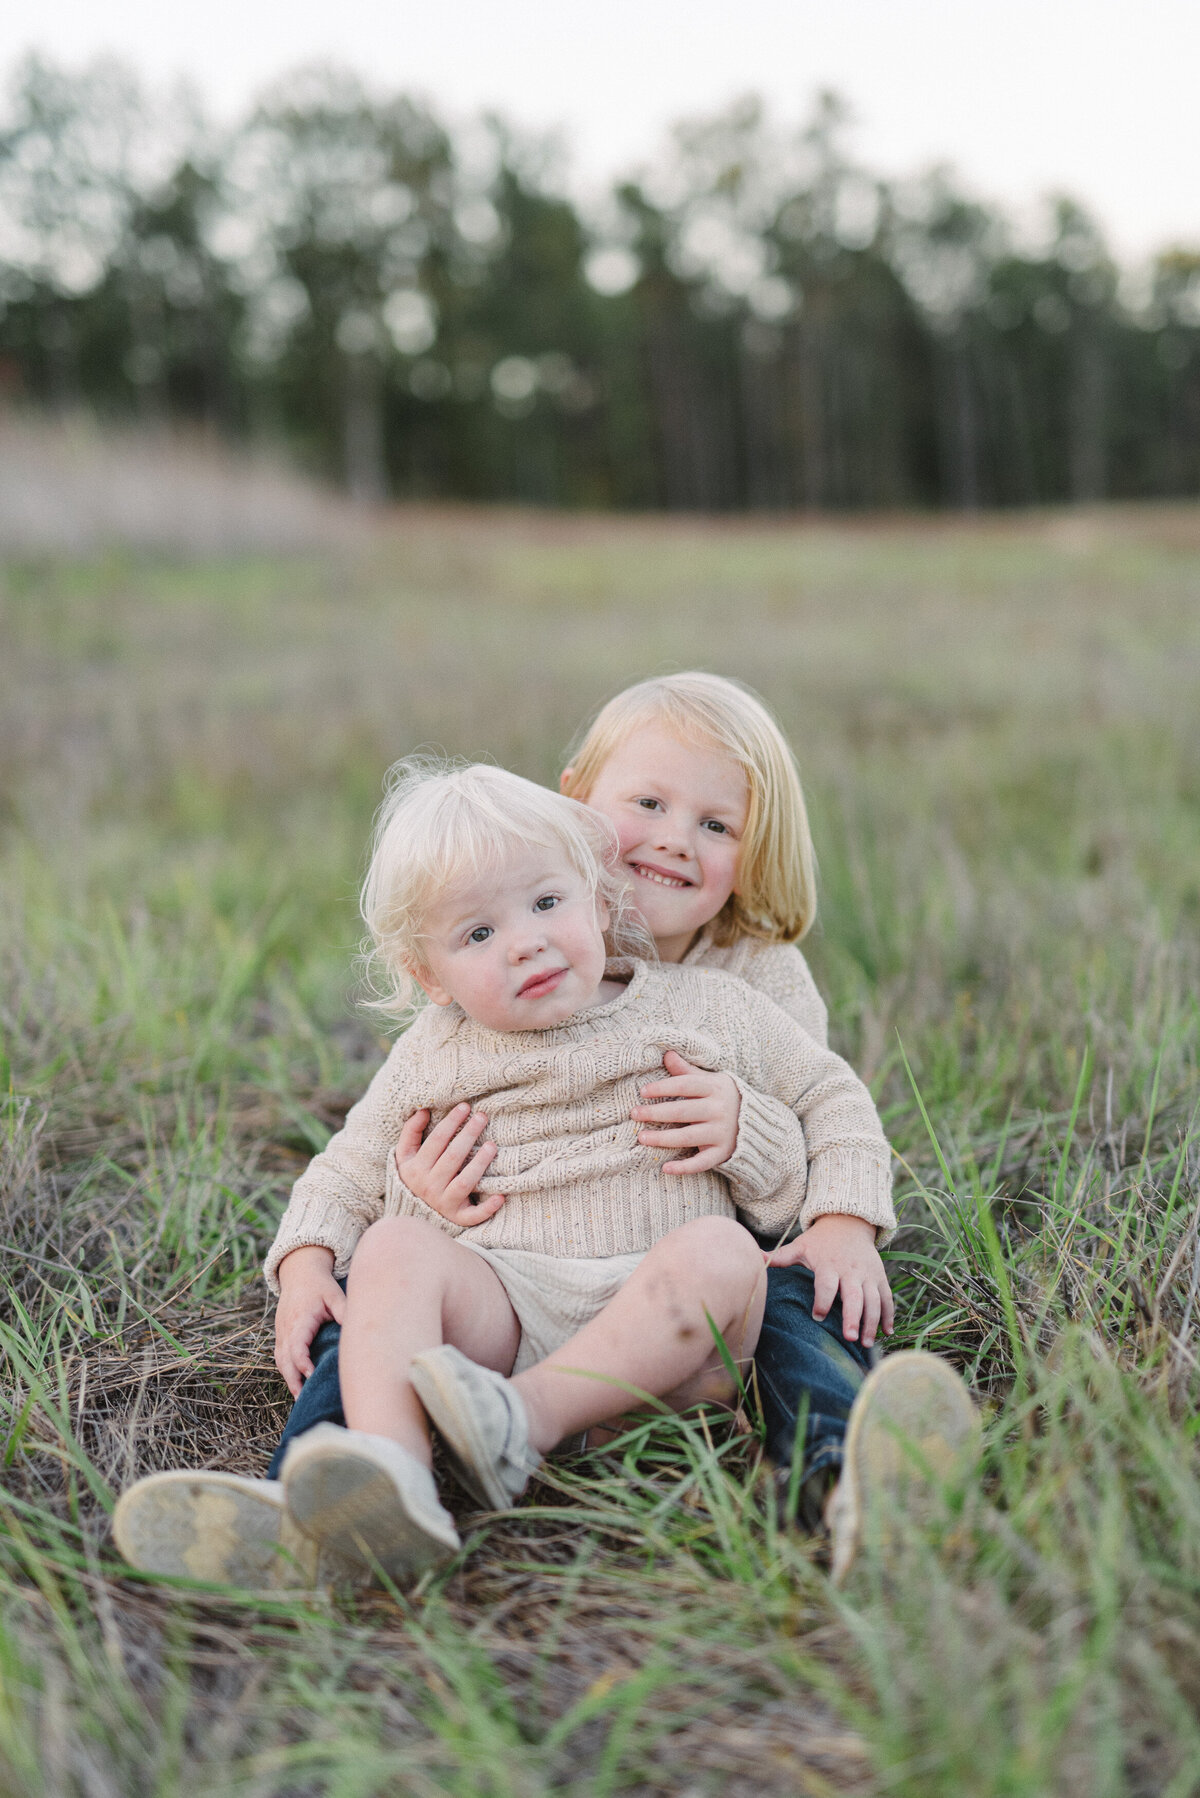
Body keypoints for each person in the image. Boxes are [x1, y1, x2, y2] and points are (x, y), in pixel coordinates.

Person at [115, 759, 961, 1589]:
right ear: (427, 976)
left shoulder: (705, 1006)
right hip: (507, 1324)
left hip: (671, 1342)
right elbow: (346, 1169)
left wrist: (845, 1221)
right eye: (478, 935)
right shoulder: (435, 1053)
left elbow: (831, 1092)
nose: (527, 943)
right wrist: (304, 1264)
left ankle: (543, 1427)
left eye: (548, 904)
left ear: (597, 900)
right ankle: (382, 1489)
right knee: (393, 1253)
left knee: (724, 1253)